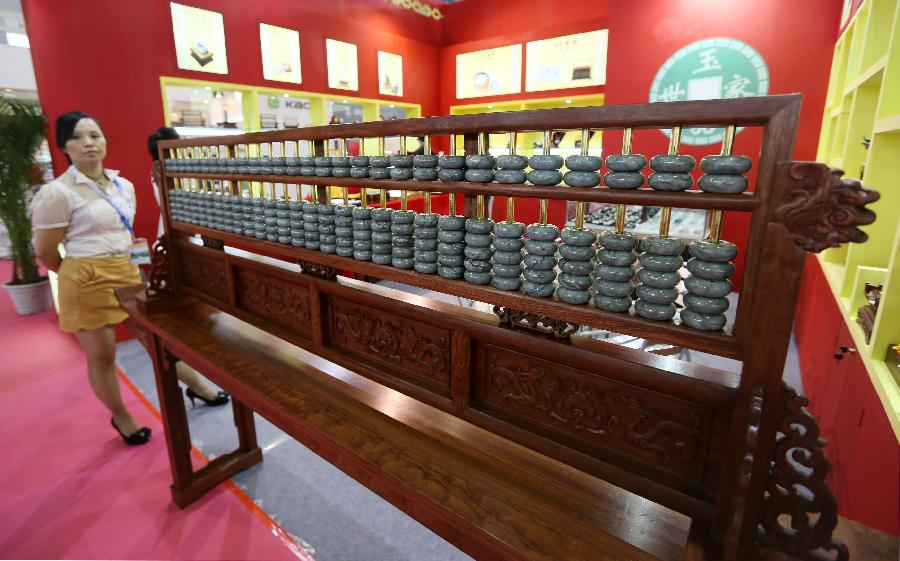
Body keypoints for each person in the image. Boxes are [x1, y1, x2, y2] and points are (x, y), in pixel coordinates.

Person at [32, 111, 151, 445]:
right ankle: (123, 418)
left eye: (95, 135)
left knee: (155, 338)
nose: (88, 144)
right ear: (64, 146)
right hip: (85, 276)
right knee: (103, 355)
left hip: (126, 268)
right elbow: (45, 251)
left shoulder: (123, 185)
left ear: (104, 141)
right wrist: (76, 275)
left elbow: (126, 230)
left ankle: (197, 387)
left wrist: (136, 262)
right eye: (78, 137)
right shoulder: (58, 192)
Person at [146, 127, 229, 409]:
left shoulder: (174, 170)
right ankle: (199, 379)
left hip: (184, 233)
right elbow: (174, 207)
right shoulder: (162, 173)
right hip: (175, 236)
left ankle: (203, 376)